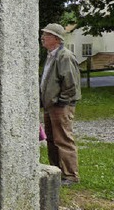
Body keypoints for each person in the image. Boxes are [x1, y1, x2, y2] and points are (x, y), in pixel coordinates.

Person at [40, 23, 81, 186]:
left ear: (56, 39)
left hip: (61, 106)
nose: (43, 38)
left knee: (63, 139)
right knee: (51, 139)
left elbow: (71, 83)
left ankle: (71, 175)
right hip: (51, 105)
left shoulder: (65, 56)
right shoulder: (51, 55)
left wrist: (61, 102)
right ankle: (56, 171)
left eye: (47, 35)